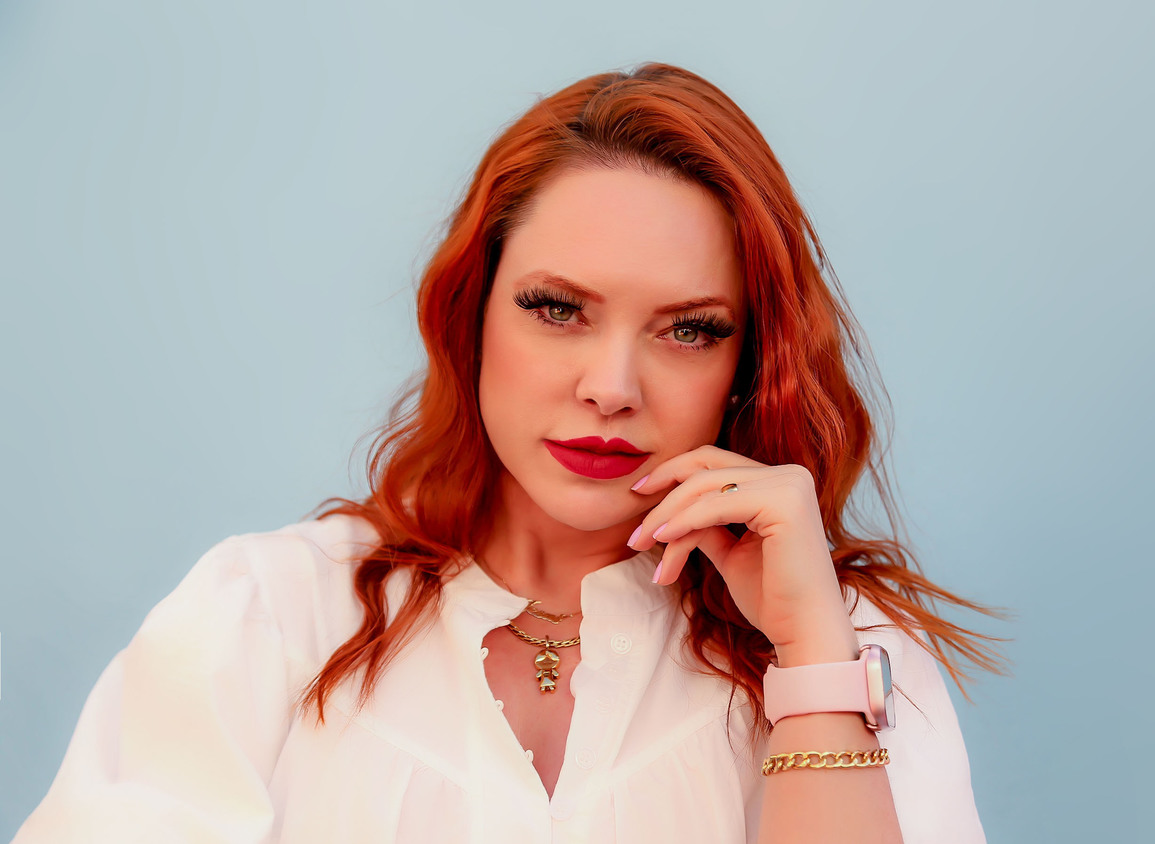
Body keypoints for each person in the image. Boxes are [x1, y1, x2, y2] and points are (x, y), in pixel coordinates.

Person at [14, 62, 1001, 843]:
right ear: (470, 312)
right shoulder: (270, 616)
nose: (612, 386)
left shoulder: (850, 649)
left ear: (747, 365)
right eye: (558, 309)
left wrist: (811, 662)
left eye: (689, 329)